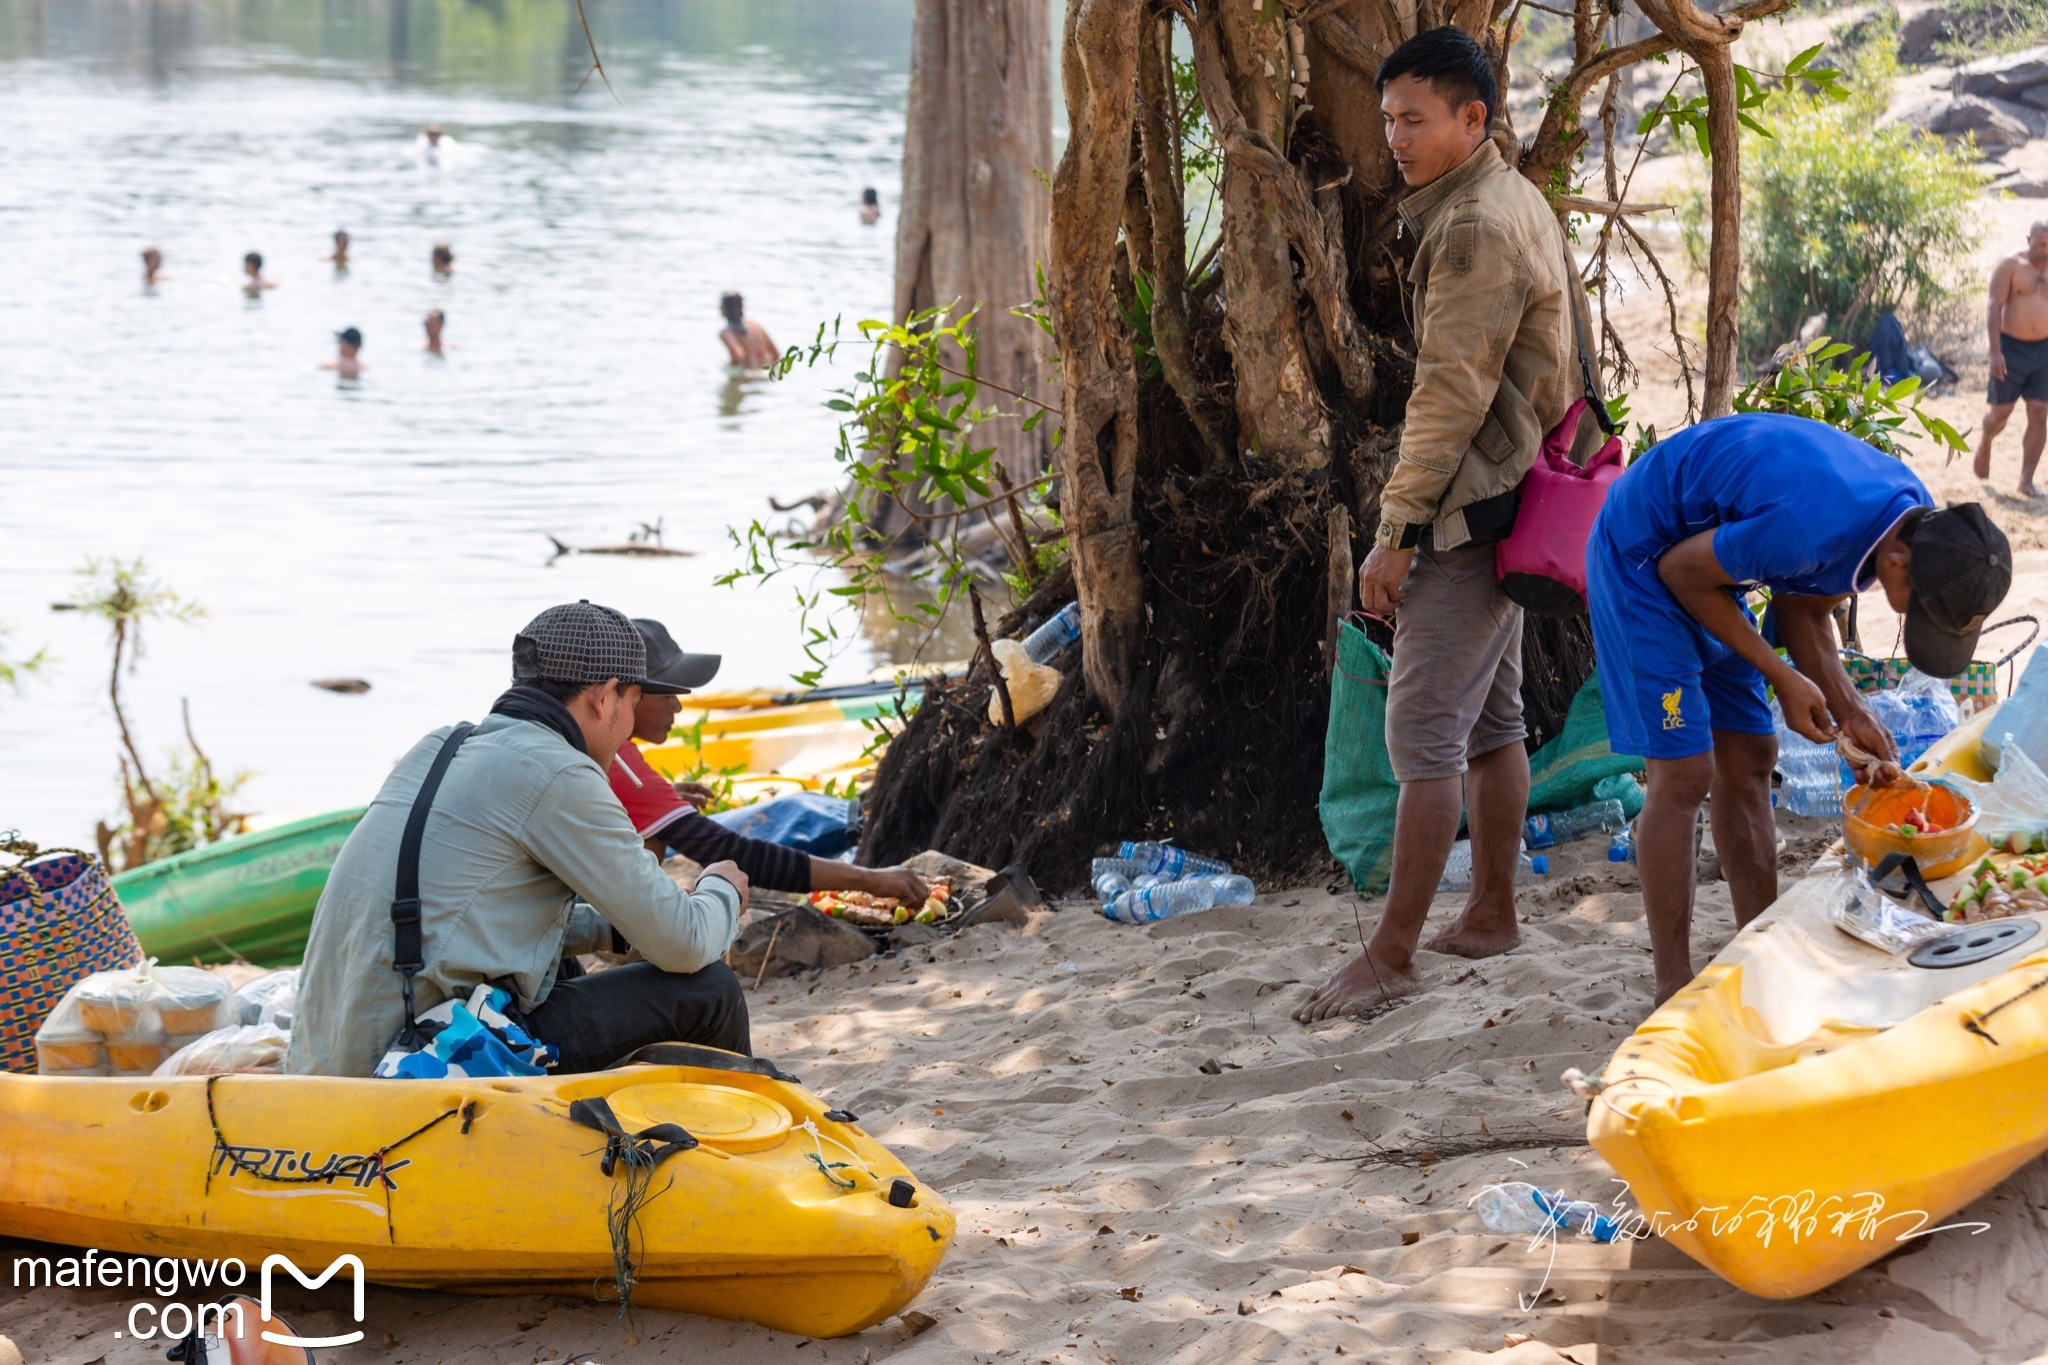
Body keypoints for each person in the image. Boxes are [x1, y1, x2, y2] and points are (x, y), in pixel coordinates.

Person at [1296, 26, 1581, 1024]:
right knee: (1492, 723)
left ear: (1474, 117)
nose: (1393, 139)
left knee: (1419, 734)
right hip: (1517, 496)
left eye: (1412, 119)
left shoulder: (1468, 229)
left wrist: (1394, 531)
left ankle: (1391, 952)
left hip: (1471, 506)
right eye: (1385, 120)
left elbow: (1446, 399)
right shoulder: (1503, 196)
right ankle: (1492, 912)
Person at [1588, 413, 2012, 1004]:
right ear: (1897, 564)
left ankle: (1760, 951)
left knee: (1754, 756)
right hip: (1642, 558)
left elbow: (1801, 608)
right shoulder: (1806, 529)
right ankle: (1672, 984)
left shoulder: (1913, 515)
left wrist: (1851, 709)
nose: (1918, 624)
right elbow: (1679, 572)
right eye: (1923, 612)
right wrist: (1779, 674)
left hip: (1708, 571)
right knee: (1684, 773)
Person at [289, 601, 753, 1078]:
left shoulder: (441, 746)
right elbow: (686, 944)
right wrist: (719, 890)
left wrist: (609, 928)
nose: (630, 727)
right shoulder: (560, 773)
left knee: (559, 974)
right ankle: (745, 1135)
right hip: (415, 1064)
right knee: (709, 992)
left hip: (330, 1063)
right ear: (605, 696)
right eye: (634, 703)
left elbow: (464, 919)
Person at [610, 619, 930, 904]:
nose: (678, 707)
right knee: (653, 840)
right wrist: (871, 879)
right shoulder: (619, 762)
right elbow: (737, 853)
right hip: (582, 903)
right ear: (628, 693)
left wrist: (660, 799)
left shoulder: (600, 746)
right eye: (668, 694)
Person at [1972, 223, 2048, 499]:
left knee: (2040, 414)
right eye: (2040, 244)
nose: (2045, 250)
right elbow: (1994, 306)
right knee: (2000, 414)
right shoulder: (2010, 264)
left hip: (2044, 349)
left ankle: (2026, 481)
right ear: (2029, 239)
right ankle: (1985, 441)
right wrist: (1995, 351)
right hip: (2010, 348)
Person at [719, 292, 780, 369]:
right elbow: (776, 354)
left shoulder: (726, 332)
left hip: (748, 376)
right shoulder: (756, 325)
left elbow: (738, 356)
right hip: (766, 374)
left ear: (724, 308)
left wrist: (729, 366)